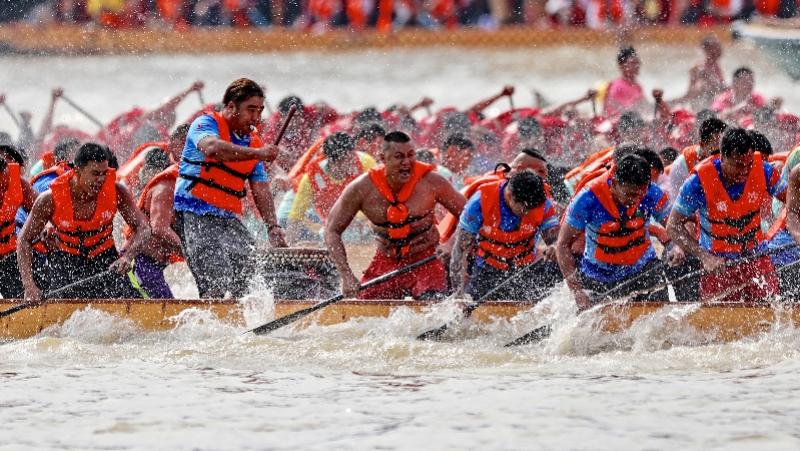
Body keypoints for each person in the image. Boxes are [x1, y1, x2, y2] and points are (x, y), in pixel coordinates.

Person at [174, 78, 286, 298]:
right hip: (194, 214)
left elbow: (261, 187)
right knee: (216, 284)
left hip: (227, 218)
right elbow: (212, 148)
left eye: (260, 111)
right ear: (231, 106)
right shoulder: (205, 124)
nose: (255, 118)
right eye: (250, 110)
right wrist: (258, 154)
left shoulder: (253, 142)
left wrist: (273, 227)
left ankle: (244, 328)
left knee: (250, 279)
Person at [324, 131, 466, 299]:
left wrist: (450, 244)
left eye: (411, 155)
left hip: (426, 260)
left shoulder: (433, 182)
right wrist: (346, 276)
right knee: (366, 311)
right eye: (399, 157)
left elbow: (470, 216)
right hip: (386, 262)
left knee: (432, 306)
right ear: (383, 158)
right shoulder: (361, 189)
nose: (407, 163)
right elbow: (331, 230)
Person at [17, 143, 151, 301]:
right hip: (66, 264)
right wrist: (29, 286)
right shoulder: (49, 199)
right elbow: (24, 240)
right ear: (77, 171)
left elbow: (144, 228)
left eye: (104, 173)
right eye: (95, 173)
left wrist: (127, 257)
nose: (101, 180)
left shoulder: (117, 191)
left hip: (105, 262)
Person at [667, 128, 786, 303]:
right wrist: (705, 257)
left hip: (756, 257)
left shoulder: (764, 170)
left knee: (771, 310)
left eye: (748, 164)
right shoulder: (698, 182)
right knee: (716, 323)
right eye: (738, 165)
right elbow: (673, 226)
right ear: (723, 157)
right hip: (718, 264)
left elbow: (793, 203)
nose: (745, 172)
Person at [557, 154, 672, 310]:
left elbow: (674, 226)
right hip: (599, 278)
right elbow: (563, 245)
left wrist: (676, 247)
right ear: (615, 183)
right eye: (631, 194)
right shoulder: (587, 199)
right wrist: (578, 293)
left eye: (641, 194)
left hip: (645, 270)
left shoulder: (652, 192)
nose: (636, 200)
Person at [450, 171, 560, 300]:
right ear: (510, 195)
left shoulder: (542, 203)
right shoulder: (480, 201)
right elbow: (459, 250)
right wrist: (458, 295)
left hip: (525, 269)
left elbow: (556, 240)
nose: (529, 212)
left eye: (533, 208)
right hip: (486, 270)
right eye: (525, 208)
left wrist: (554, 246)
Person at [286, 132, 376, 241]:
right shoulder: (312, 178)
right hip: (326, 223)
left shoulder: (366, 162)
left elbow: (379, 199)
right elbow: (296, 216)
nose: (354, 161)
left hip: (363, 224)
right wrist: (289, 245)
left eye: (354, 155)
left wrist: (359, 219)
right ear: (336, 162)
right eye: (349, 159)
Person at [0, 157, 36, 299]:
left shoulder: (16, 182)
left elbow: (42, 208)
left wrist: (49, 227)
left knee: (20, 298)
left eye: (4, 185)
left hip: (9, 257)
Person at [666, 118, 727, 199]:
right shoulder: (681, 165)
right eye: (716, 144)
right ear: (702, 145)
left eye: (724, 144)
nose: (722, 150)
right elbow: (677, 205)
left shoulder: (729, 161)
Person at [673, 36, 726, 112]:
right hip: (701, 107)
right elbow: (695, 90)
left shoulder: (716, 67)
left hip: (711, 104)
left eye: (719, 47)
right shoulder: (700, 68)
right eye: (715, 48)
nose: (719, 50)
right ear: (706, 50)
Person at [603, 47, 647, 119]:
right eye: (633, 63)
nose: (637, 66)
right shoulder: (617, 86)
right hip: (619, 124)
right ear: (622, 66)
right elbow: (623, 111)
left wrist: (661, 102)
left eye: (638, 63)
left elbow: (646, 107)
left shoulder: (638, 86)